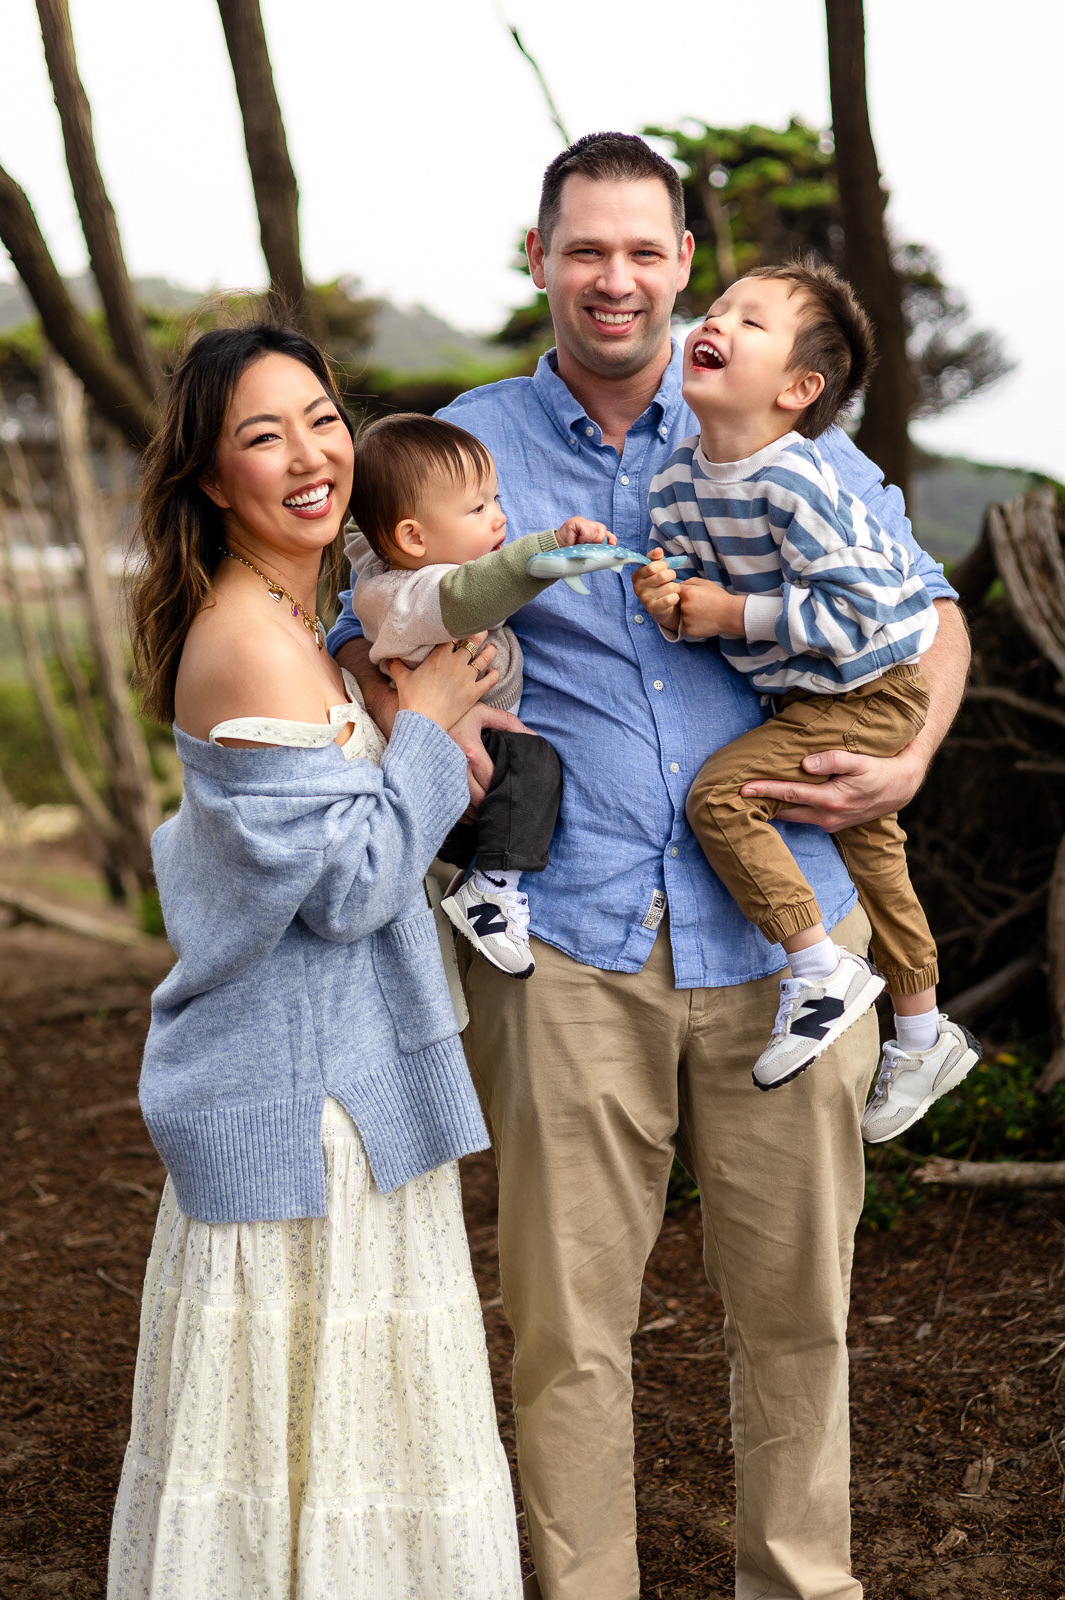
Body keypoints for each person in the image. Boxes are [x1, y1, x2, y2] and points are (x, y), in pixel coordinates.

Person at [329, 133, 970, 1600]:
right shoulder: (458, 444)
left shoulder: (777, 428)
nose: (612, 279)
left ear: (682, 264)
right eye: (582, 250)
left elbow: (926, 611)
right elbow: (361, 634)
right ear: (540, 260)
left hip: (788, 931)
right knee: (565, 1330)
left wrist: (912, 750)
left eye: (642, 251)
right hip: (560, 947)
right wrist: (428, 725)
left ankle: (798, 1583)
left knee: (798, 1315)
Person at [107, 321, 522, 1599]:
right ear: (211, 478)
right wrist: (430, 732)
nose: (310, 454)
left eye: (323, 418)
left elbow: (354, 848)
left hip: (341, 1089)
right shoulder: (250, 640)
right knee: (312, 1451)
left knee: (352, 1449)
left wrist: (420, 739)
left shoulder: (307, 623)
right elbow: (347, 888)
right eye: (261, 434)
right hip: (303, 1115)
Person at [632, 258, 980, 1132]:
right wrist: (670, 599)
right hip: (811, 694)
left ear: (798, 388)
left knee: (720, 798)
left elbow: (861, 612)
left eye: (751, 322)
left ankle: (818, 969)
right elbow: (688, 588)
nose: (714, 323)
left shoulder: (799, 480)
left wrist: (729, 611)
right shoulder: (676, 477)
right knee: (874, 857)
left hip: (873, 683)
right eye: (716, 309)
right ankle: (921, 1028)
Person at [346, 411, 613, 978]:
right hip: (458, 747)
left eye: (496, 500)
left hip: (471, 747)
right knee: (536, 765)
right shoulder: (409, 592)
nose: (500, 517)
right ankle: (491, 892)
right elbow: (473, 596)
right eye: (479, 508)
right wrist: (548, 551)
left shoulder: (405, 567)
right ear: (412, 537)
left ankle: (480, 880)